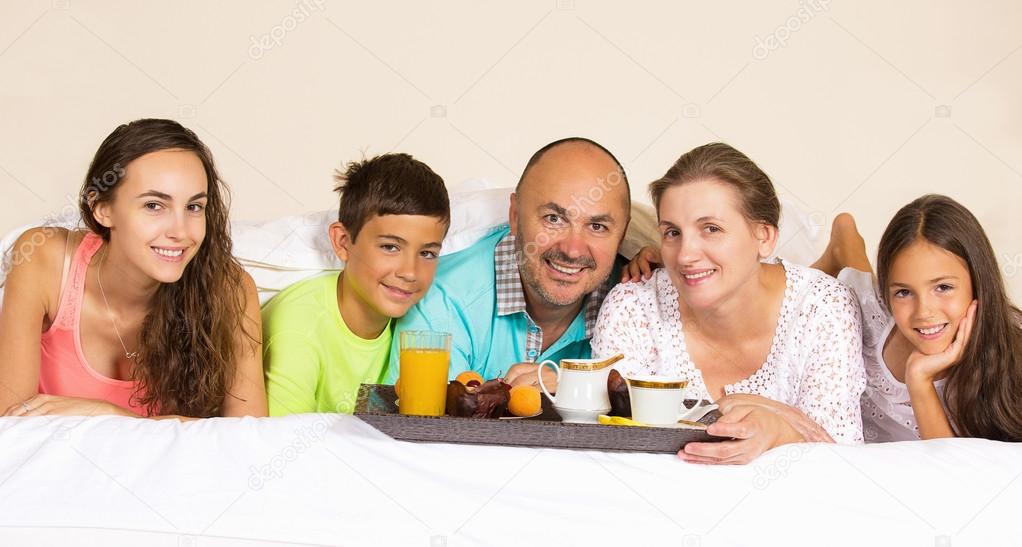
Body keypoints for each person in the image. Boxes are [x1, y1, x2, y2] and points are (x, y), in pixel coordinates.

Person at [593, 142, 866, 464]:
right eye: (672, 232)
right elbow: (614, 444)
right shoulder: (632, 306)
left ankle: (844, 245)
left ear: (764, 237)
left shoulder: (825, 307)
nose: (685, 255)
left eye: (711, 229)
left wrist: (780, 431)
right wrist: (780, 415)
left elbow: (843, 460)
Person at [0, 119, 266, 418]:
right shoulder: (45, 260)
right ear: (102, 208)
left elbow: (247, 437)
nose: (180, 231)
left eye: (194, 207)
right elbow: (10, 423)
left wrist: (110, 415)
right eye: (154, 205)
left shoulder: (230, 289)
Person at [386, 137, 630, 386]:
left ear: (622, 236)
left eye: (597, 226)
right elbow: (426, 423)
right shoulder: (443, 301)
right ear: (514, 215)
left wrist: (572, 388)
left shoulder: (641, 305)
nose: (573, 250)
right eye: (553, 219)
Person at [814, 195, 1022, 441]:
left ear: (978, 283)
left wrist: (919, 378)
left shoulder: (1011, 356)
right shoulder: (862, 314)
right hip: (875, 306)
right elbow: (795, 299)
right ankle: (845, 244)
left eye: (943, 287)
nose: (924, 312)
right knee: (853, 282)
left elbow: (950, 465)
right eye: (903, 292)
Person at [262, 153, 450, 415]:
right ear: (342, 242)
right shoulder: (298, 324)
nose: (410, 272)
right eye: (390, 247)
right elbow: (278, 440)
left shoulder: (426, 320)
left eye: (427, 253)